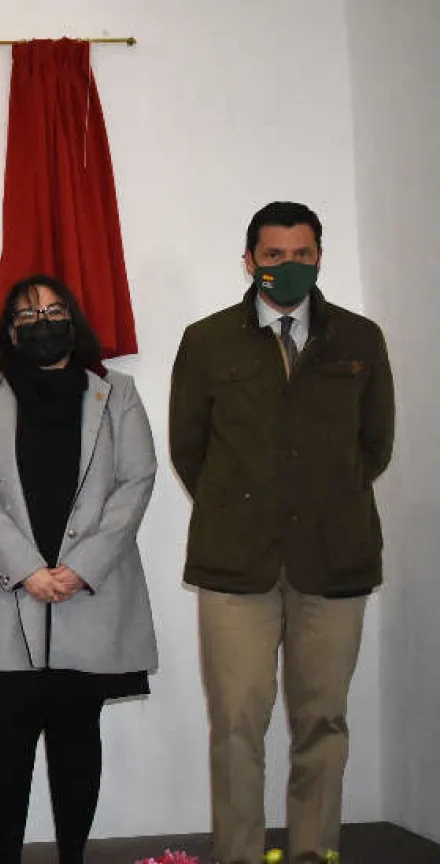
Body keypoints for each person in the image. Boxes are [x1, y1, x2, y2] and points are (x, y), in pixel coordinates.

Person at [170, 202, 394, 864]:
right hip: (236, 563)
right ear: (250, 262)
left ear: (319, 257)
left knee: (322, 720)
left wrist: (322, 501)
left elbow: (374, 445)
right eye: (274, 256)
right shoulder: (207, 340)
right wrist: (244, 504)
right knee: (236, 722)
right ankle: (239, 854)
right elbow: (190, 448)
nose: (288, 267)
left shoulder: (359, 339)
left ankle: (312, 852)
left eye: (302, 255)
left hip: (334, 557)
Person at [0, 274, 158, 864]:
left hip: (88, 593)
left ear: (74, 319)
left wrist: (81, 567)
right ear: (10, 331)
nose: (43, 323)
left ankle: (73, 857)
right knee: (5, 742)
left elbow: (136, 480)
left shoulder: (117, 393)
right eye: (28, 315)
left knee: (77, 739)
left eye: (54, 310)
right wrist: (26, 568)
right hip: (4, 592)